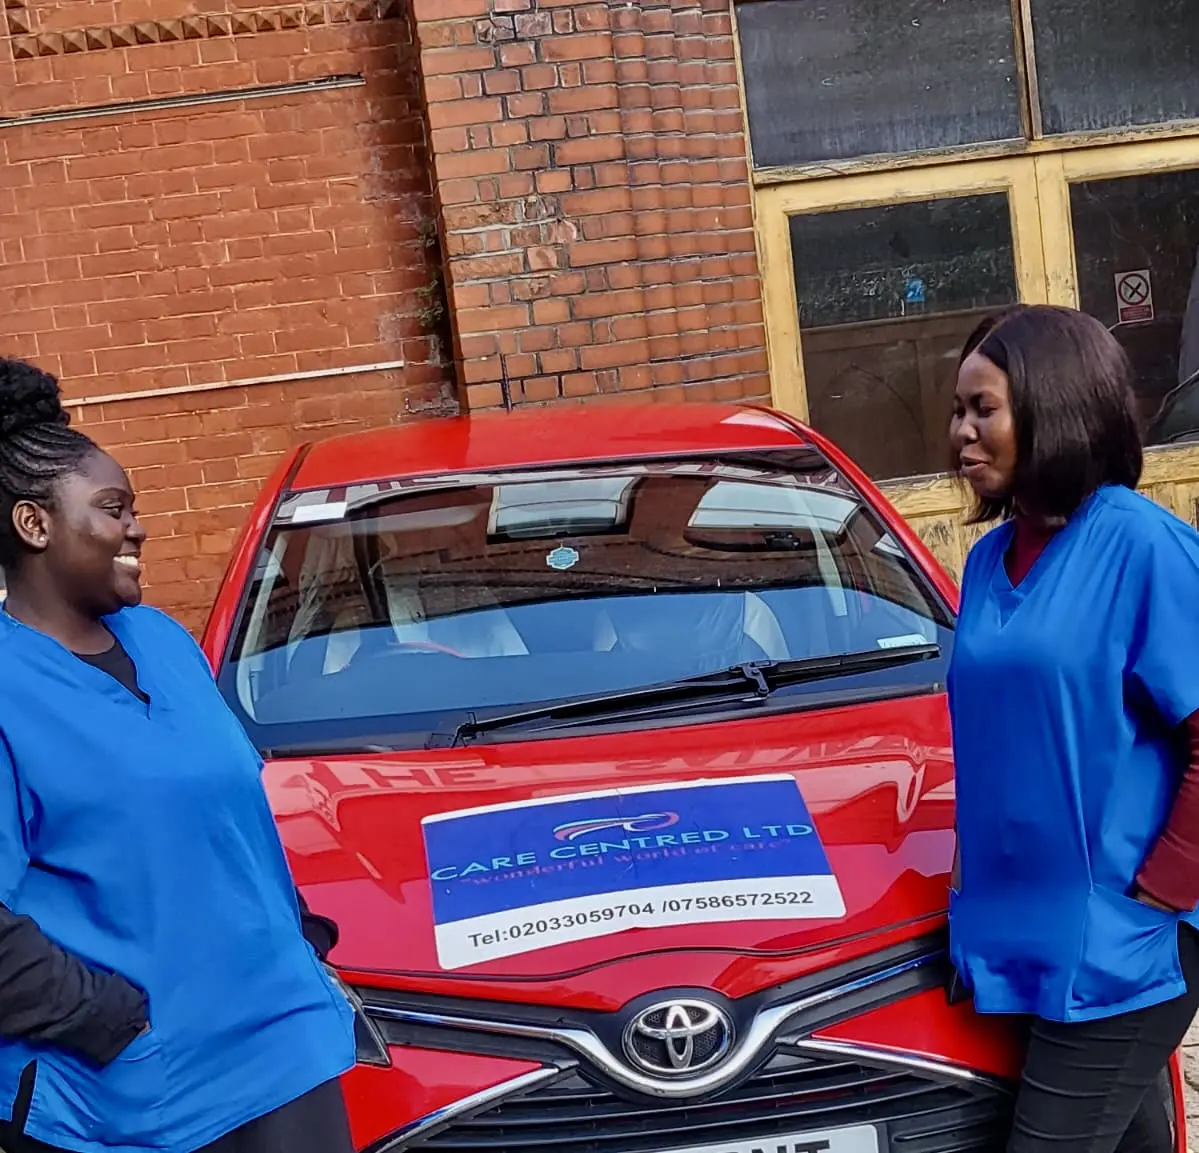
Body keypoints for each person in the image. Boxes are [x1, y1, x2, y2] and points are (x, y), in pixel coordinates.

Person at [0, 356, 357, 1153]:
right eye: (113, 508)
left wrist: (299, 941)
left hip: (284, 1049)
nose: (137, 528)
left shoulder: (162, 641)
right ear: (34, 524)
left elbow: (225, 819)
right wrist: (109, 1017)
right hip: (132, 1094)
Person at [948, 304, 1199, 1153]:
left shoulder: (1140, 546)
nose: (960, 433)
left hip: (1122, 940)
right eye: (958, 410)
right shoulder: (987, 560)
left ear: (1051, 407)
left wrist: (1160, 889)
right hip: (1026, 932)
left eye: (983, 409)